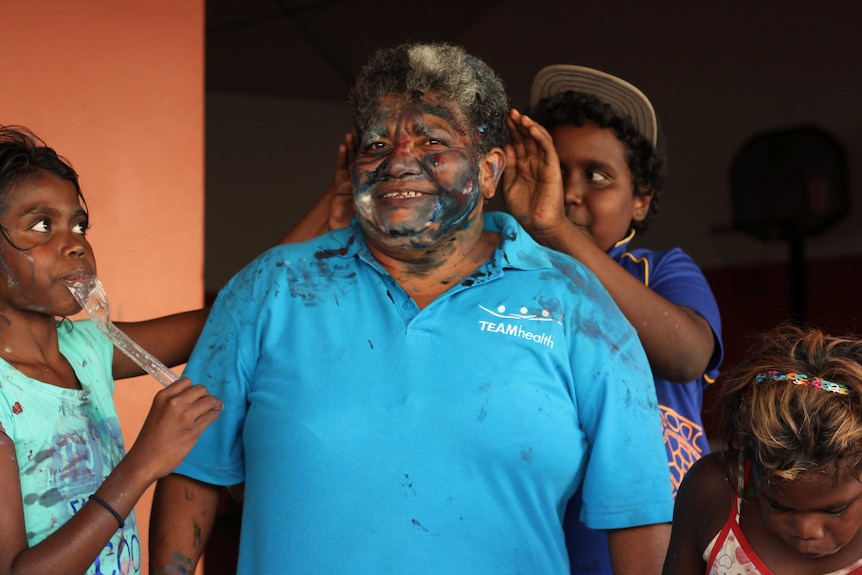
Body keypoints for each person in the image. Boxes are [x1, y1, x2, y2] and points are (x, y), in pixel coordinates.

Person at [149, 42, 674, 574]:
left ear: (490, 170)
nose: (399, 161)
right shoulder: (271, 286)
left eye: (432, 141)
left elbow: (639, 515)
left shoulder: (574, 303)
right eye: (377, 145)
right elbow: (193, 470)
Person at [502, 65, 724, 573]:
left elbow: (687, 354)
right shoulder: (509, 285)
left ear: (640, 201)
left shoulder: (660, 270)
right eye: (556, 171)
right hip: (552, 542)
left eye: (596, 176)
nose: (571, 191)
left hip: (669, 542)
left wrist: (558, 230)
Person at [0, 125, 223, 575]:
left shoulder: (87, 348)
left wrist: (330, 217)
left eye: (79, 225)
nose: (76, 244)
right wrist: (142, 463)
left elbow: (238, 311)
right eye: (42, 225)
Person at [663, 323, 862, 574]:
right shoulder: (714, 490)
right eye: (777, 505)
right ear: (750, 457)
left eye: (835, 510)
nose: (806, 530)